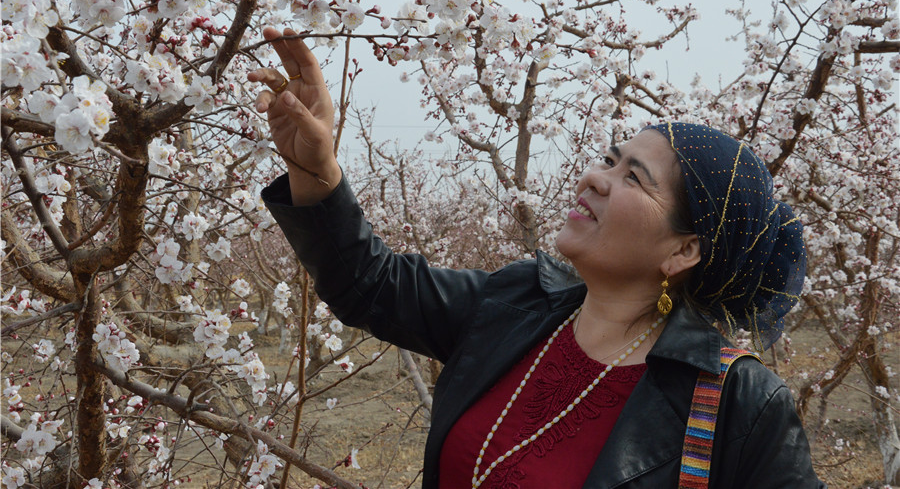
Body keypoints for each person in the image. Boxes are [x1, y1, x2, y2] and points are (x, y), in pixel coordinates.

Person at [251, 27, 825, 488]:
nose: (597, 178)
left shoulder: (737, 404)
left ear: (683, 249)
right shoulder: (517, 303)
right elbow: (371, 285)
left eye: (635, 177)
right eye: (608, 158)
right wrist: (315, 168)